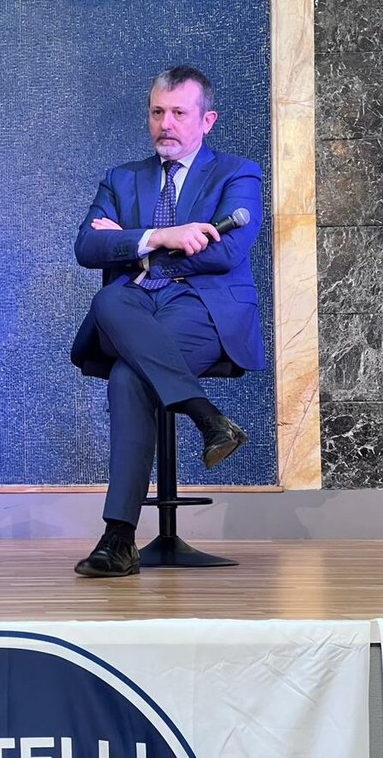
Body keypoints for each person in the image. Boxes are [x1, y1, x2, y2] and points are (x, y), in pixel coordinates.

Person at [70, 65, 265, 578]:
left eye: (179, 112)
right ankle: (207, 417)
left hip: (203, 309)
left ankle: (118, 538)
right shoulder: (121, 178)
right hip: (134, 307)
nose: (166, 124)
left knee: (128, 373)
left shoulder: (237, 173)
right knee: (109, 302)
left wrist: (136, 247)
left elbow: (228, 252)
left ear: (207, 120)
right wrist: (161, 235)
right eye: (158, 112)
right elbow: (87, 246)